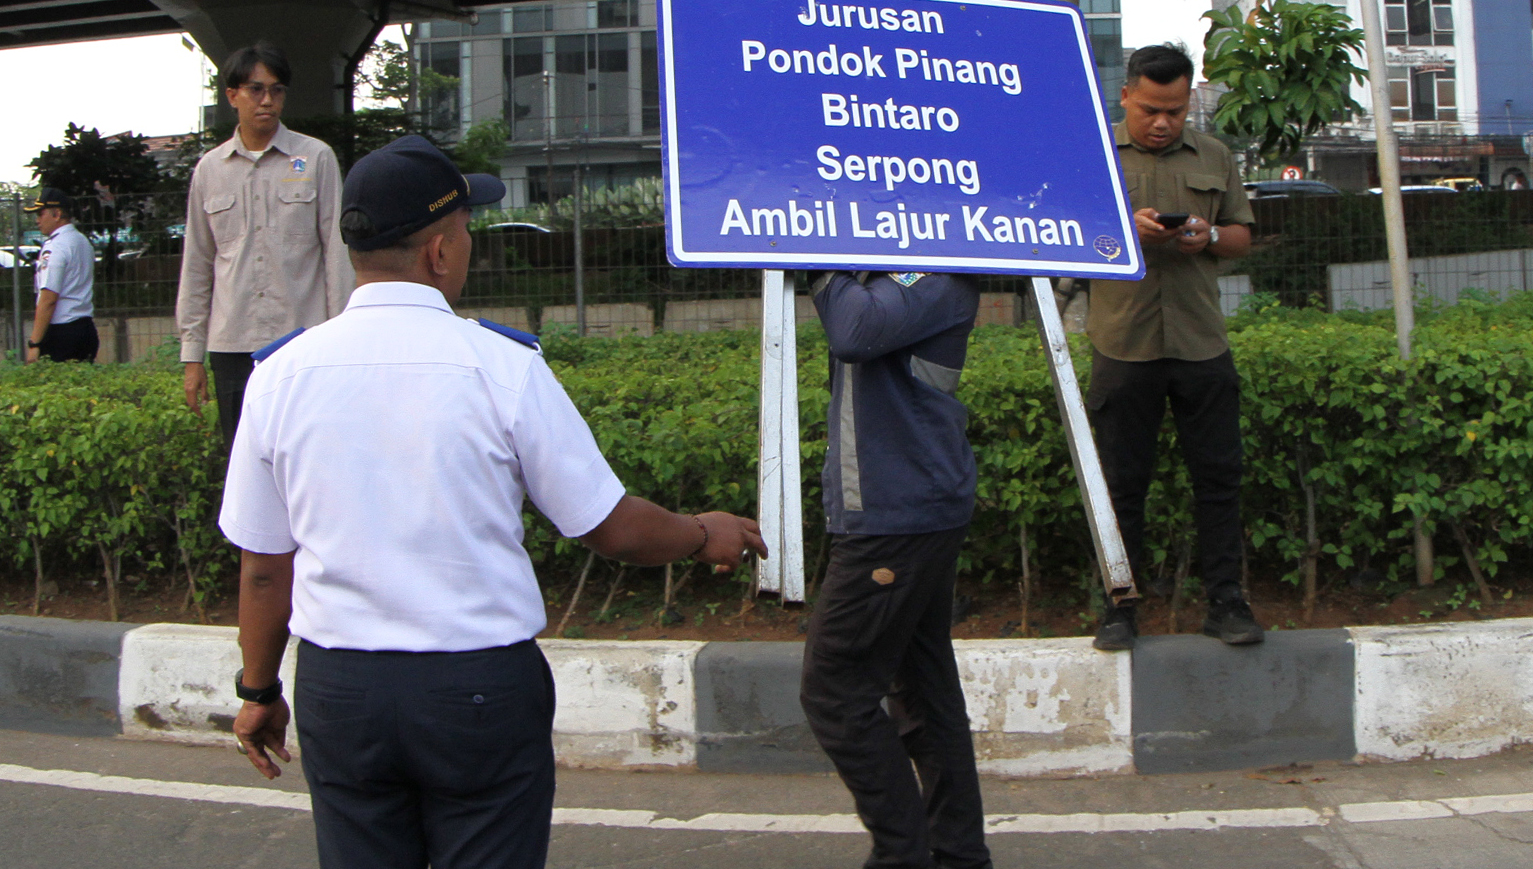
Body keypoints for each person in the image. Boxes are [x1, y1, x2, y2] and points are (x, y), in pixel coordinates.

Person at [222, 134, 765, 869]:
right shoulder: (500, 366)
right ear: (439, 254)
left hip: (339, 690)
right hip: (475, 689)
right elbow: (609, 526)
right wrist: (704, 533)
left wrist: (258, 690)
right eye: (467, 228)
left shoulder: (280, 375)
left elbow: (264, 566)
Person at [801, 269, 993, 869]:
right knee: (924, 690)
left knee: (834, 692)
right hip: (903, 509)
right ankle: (958, 854)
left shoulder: (937, 271)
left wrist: (821, 260)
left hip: (898, 515)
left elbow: (857, 331)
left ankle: (902, 855)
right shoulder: (888, 273)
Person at [1086, 43, 1264, 651]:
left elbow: (1242, 235)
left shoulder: (1215, 154)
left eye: (1177, 109)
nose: (1163, 122)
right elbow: (1060, 231)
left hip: (1199, 341)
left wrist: (1208, 233)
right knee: (1120, 485)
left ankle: (1227, 604)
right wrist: (1118, 229)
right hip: (1122, 342)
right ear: (1127, 95)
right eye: (1152, 109)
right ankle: (1118, 608)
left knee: (1219, 478)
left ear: (1189, 102)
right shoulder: (1093, 152)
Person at [176, 40, 352, 447]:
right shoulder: (210, 170)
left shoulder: (315, 158)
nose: (267, 100)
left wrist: (340, 337)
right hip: (232, 345)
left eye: (277, 90)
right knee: (244, 465)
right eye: (256, 89)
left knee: (308, 458)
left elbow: (336, 252)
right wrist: (191, 356)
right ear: (232, 96)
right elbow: (198, 263)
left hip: (302, 343)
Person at [24, 187, 98, 363]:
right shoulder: (81, 241)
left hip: (61, 332)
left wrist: (35, 343)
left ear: (56, 214)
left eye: (40, 214)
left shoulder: (55, 247)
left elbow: (49, 298)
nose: (37, 220)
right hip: (85, 328)